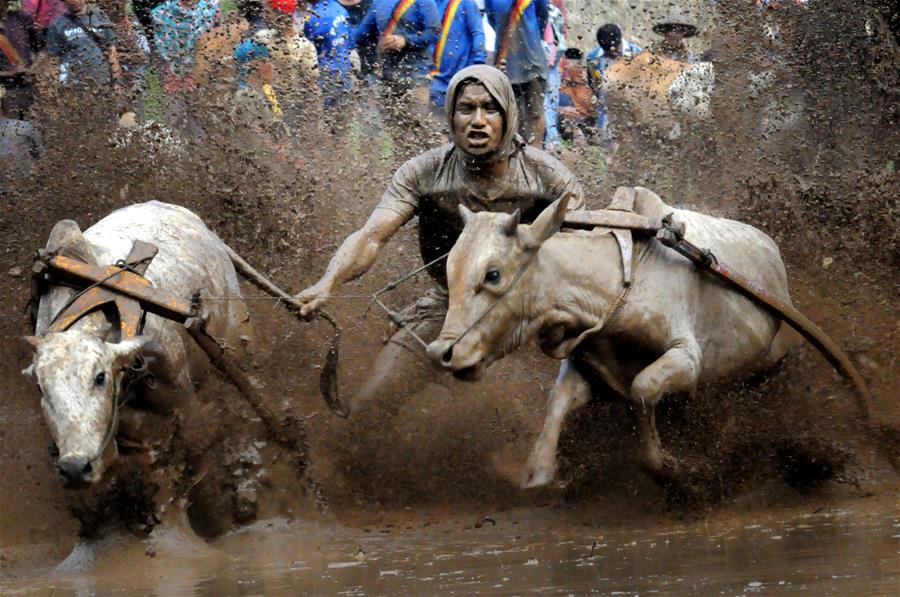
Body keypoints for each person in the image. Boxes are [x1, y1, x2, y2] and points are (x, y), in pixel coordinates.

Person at [295, 64, 584, 413]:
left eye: (490, 108)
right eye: (467, 109)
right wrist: (328, 282)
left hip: (533, 316)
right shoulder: (425, 172)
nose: (478, 120)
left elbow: (583, 250)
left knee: (565, 406)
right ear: (451, 115)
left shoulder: (548, 177)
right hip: (450, 306)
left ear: (508, 115)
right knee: (368, 408)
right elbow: (371, 236)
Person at [353, 0, 440, 157]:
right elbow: (361, 34)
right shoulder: (379, 2)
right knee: (397, 134)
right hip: (387, 77)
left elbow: (434, 32)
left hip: (416, 75)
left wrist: (405, 41)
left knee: (417, 130)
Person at [484, 0, 547, 146]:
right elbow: (492, 18)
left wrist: (532, 37)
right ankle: (514, 153)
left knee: (535, 112)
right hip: (505, 60)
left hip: (532, 58)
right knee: (510, 112)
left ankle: (534, 153)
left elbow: (542, 16)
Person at [45, 0, 120, 89]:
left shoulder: (100, 16)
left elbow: (112, 51)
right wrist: (54, 86)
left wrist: (117, 82)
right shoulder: (56, 25)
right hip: (73, 85)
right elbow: (53, 60)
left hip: (103, 81)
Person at [428, 0, 485, 116]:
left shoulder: (465, 3)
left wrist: (479, 62)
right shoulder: (427, 4)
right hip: (433, 81)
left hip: (460, 80)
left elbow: (477, 32)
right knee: (435, 126)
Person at [586, 23, 640, 143]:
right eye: (608, 52)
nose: (612, 53)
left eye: (615, 49)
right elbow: (593, 84)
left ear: (620, 40)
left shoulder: (636, 54)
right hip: (606, 109)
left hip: (631, 108)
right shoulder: (593, 58)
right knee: (607, 146)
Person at [304, 0, 353, 118]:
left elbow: (305, 54)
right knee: (342, 127)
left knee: (323, 126)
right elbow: (350, 45)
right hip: (345, 75)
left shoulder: (313, 17)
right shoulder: (341, 9)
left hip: (325, 79)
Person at [1, 0, 42, 118]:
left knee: (35, 129)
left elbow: (41, 48)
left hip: (29, 87)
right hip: (5, 92)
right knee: (10, 132)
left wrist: (35, 67)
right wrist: (10, 73)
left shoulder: (21, 18)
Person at [541, 0, 564, 151]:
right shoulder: (555, 11)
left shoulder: (548, 11)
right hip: (555, 55)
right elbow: (561, 34)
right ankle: (552, 139)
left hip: (545, 55)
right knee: (552, 100)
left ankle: (551, 140)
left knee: (546, 101)